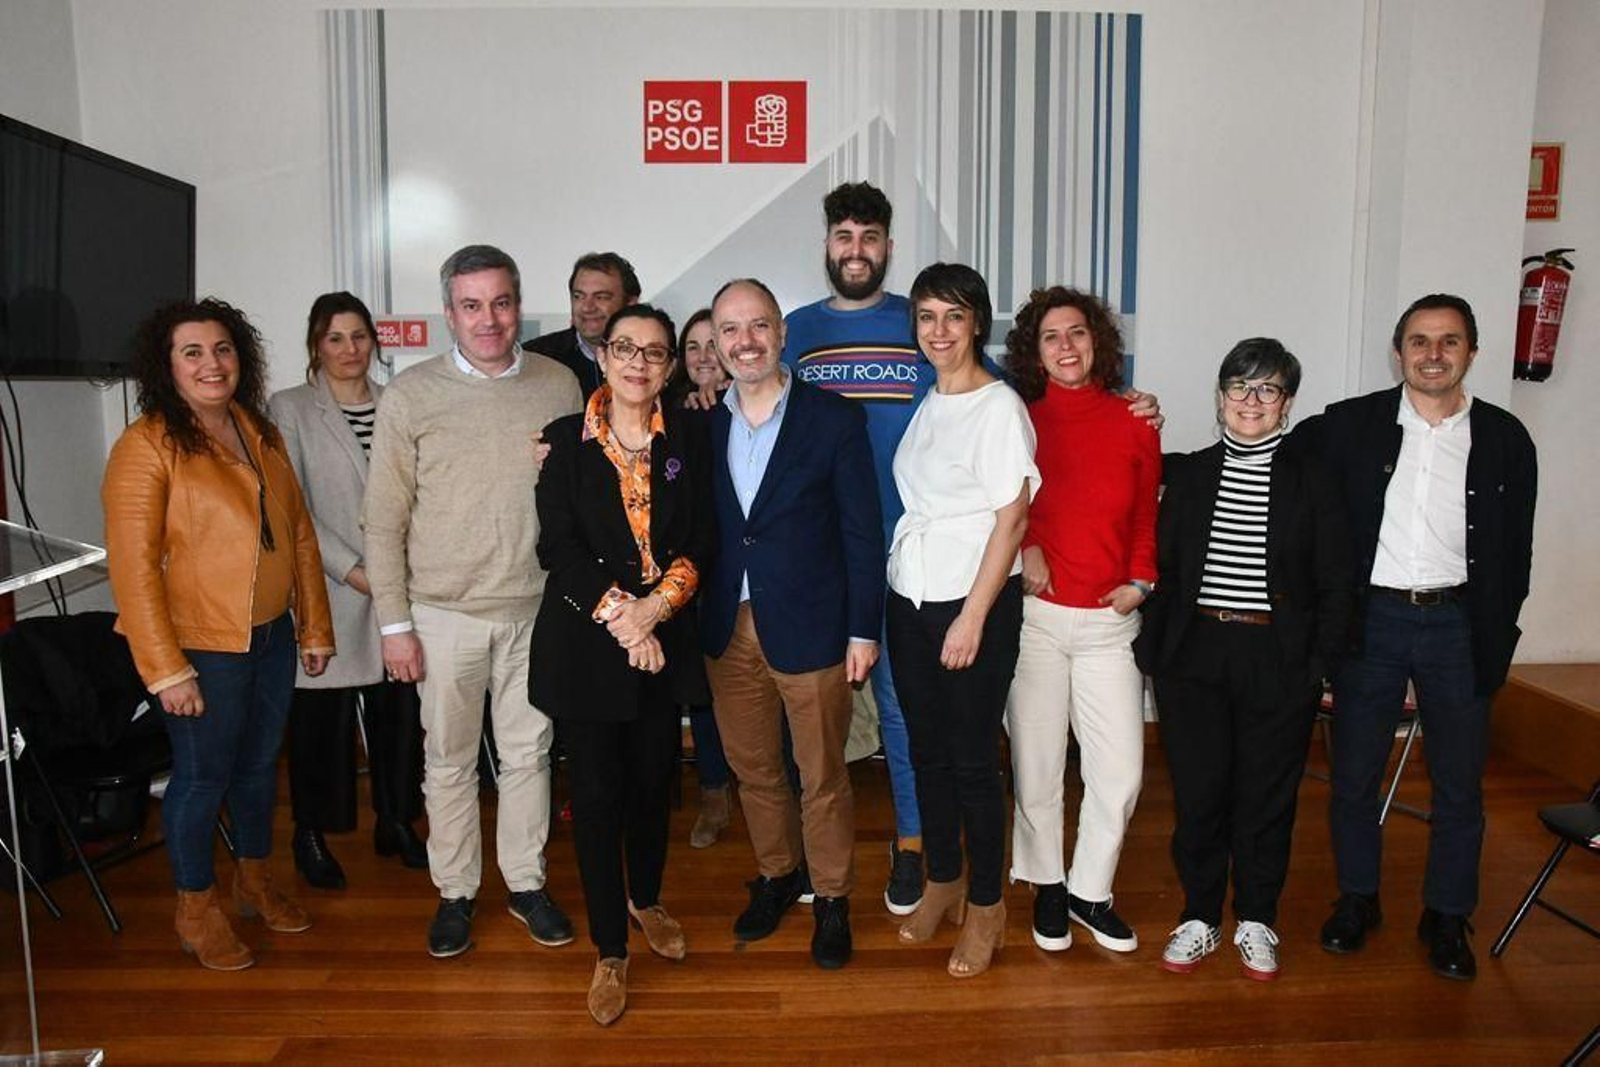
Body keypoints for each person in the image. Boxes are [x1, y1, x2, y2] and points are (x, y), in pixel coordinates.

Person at [1292, 294, 1537, 981]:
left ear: (1471, 353)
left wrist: (1500, 623)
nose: (1434, 353)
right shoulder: (1350, 425)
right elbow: (1266, 449)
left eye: (1449, 341)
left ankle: (1447, 912)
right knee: (1355, 775)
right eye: (1420, 340)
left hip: (1461, 624)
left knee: (1460, 783)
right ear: (1398, 352)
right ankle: (1358, 898)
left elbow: (1516, 549)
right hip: (1372, 620)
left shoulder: (1506, 438)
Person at [362, 244, 583, 959]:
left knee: (530, 756)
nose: (488, 319)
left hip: (535, 609)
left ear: (519, 304)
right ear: (448, 313)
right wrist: (395, 624)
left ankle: (525, 883)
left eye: (501, 302)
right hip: (443, 612)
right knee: (449, 760)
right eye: (471, 305)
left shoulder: (560, 386)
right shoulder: (411, 396)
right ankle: (455, 891)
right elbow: (383, 518)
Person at [102, 297, 335, 970]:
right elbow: (133, 568)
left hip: (269, 641)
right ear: (165, 364)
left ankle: (253, 881)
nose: (213, 363)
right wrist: (165, 669)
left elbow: (296, 532)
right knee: (203, 779)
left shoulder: (255, 427)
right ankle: (195, 907)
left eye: (224, 348)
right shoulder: (146, 445)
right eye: (193, 352)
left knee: (261, 768)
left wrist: (313, 625)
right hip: (201, 647)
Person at [1134, 338, 1353, 980]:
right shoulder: (1192, 474)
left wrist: (1318, 662)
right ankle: (1200, 916)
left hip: (1277, 656)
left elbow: (1339, 580)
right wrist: (1157, 644)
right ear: (1220, 396)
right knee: (1200, 793)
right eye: (1240, 387)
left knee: (1266, 796)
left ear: (1286, 404)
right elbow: (1164, 568)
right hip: (1194, 657)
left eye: (1268, 390)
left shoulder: (1314, 479)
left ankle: (1257, 918)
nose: (1251, 401)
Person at [530, 303, 714, 1026]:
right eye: (625, 348)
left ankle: (647, 899)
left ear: (669, 366)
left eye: (655, 352)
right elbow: (559, 551)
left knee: (652, 785)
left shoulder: (690, 438)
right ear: (601, 357)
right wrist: (625, 619)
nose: (639, 363)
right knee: (599, 799)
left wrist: (655, 611)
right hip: (589, 645)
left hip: (661, 641)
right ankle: (611, 947)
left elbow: (702, 537)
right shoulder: (561, 443)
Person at [700, 277, 884, 970]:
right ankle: (781, 874)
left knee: (823, 772)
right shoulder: (700, 423)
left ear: (781, 332)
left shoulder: (834, 419)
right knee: (754, 771)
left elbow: (862, 533)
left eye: (757, 326)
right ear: (716, 344)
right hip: (728, 627)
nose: (744, 341)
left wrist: (863, 629)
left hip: (812, 626)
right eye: (729, 330)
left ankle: (832, 897)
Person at [782, 181, 931, 913]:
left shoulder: (923, 323)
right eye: (844, 236)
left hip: (908, 552)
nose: (856, 250)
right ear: (828, 245)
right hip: (821, 555)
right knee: (817, 715)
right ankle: (820, 856)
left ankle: (912, 844)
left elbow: (1000, 400)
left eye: (869, 238)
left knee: (902, 708)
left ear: (889, 248)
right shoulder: (794, 330)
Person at [889, 263, 1038, 978]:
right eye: (925, 317)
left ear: (977, 321)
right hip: (910, 597)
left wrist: (973, 617)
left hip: (969, 602)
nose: (938, 331)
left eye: (952, 315)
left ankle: (986, 905)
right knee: (926, 749)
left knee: (974, 759)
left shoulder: (998, 405)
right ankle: (944, 877)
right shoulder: (932, 398)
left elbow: (1012, 520)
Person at [1001, 286, 1159, 958]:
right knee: (1037, 765)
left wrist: (1142, 579)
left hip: (1107, 623)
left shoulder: (1136, 419)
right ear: (1034, 352)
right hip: (1036, 620)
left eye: (1077, 333)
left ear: (1097, 340)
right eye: (1051, 337)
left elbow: (1148, 513)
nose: (1067, 346)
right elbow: (996, 501)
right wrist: (1025, 542)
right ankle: (1048, 883)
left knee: (1119, 770)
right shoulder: (1019, 418)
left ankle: (1093, 889)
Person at [268, 292, 427, 890]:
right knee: (320, 725)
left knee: (400, 716)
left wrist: (396, 574)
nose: (349, 349)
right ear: (316, 344)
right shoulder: (289, 409)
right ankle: (310, 832)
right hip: (328, 588)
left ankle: (396, 822)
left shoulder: (397, 403)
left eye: (359, 336)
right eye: (335, 338)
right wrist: (356, 570)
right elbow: (293, 506)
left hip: (400, 586)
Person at [675, 307, 734, 847]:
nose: (703, 357)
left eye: (711, 344)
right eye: (691, 347)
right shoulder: (671, 415)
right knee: (704, 692)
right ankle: (714, 791)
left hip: (738, 576)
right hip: (688, 577)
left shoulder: (750, 409)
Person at [525, 251, 641, 400]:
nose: (587, 307)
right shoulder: (537, 358)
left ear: (630, 304)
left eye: (601, 297)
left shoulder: (653, 361)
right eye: (578, 296)